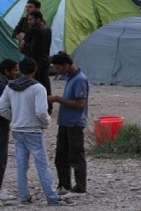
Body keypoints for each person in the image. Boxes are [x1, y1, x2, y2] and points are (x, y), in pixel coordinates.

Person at [0, 58, 76, 206]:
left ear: (20, 70)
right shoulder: (38, 88)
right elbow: (41, 111)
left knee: (21, 164)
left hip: (17, 129)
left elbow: (2, 108)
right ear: (35, 70)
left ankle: (23, 195)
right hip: (33, 130)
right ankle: (51, 196)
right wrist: (46, 122)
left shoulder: (11, 87)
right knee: (42, 164)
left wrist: (15, 117)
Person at [49, 52, 89, 195]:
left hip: (75, 123)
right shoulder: (71, 78)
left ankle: (80, 186)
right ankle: (64, 184)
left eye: (58, 68)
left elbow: (80, 103)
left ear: (67, 65)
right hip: (65, 122)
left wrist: (58, 99)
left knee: (76, 155)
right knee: (61, 156)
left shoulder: (79, 80)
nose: (58, 71)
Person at [19, 11, 52, 114]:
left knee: (34, 84)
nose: (29, 22)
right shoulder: (47, 29)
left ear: (38, 19)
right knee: (46, 83)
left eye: (31, 19)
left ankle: (36, 107)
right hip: (45, 60)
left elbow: (22, 45)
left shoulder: (33, 30)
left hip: (35, 61)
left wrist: (22, 41)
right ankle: (48, 106)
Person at [0, 59, 19, 201]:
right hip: (1, 125)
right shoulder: (3, 86)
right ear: (6, 71)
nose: (16, 73)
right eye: (14, 70)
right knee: (1, 158)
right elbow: (4, 108)